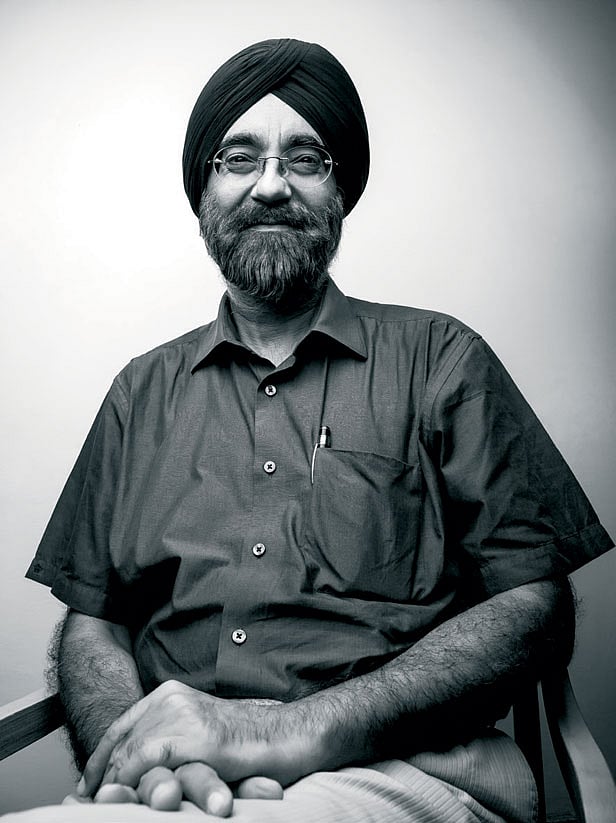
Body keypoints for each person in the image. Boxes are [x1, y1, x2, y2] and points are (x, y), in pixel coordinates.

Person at [21, 38, 613, 823]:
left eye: (305, 158)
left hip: (400, 770)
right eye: (239, 158)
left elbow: (534, 603)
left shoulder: (441, 360)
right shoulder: (140, 392)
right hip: (174, 791)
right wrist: (139, 757)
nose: (271, 184)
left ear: (340, 190)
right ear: (204, 190)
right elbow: (94, 619)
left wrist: (279, 731)